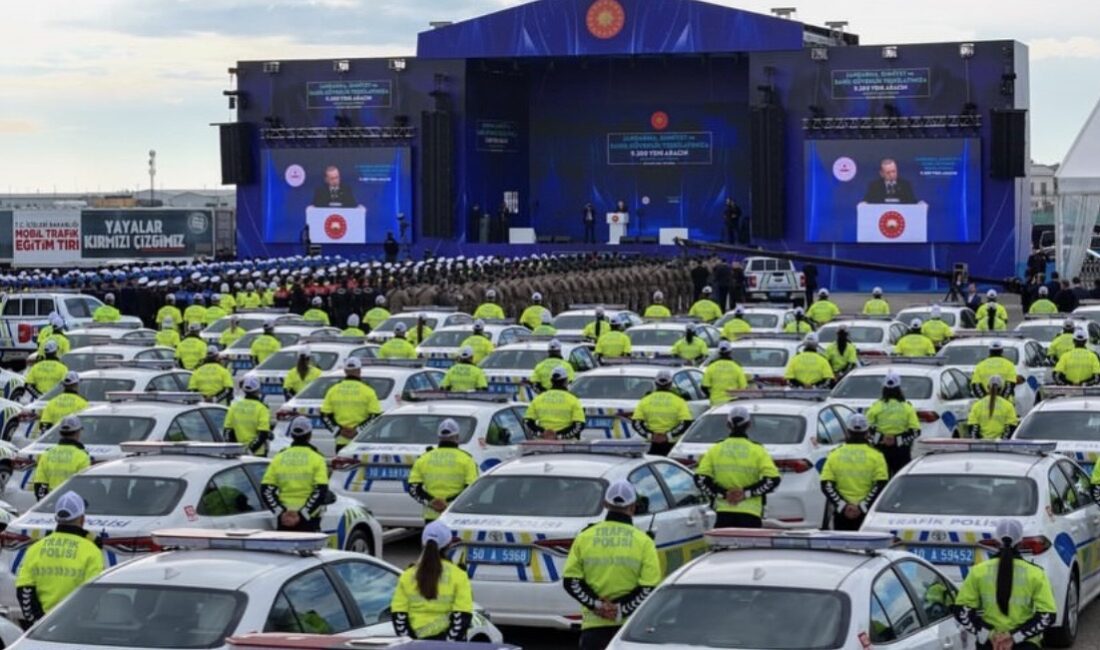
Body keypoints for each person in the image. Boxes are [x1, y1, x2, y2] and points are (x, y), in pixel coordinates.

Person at [562, 480, 661, 650]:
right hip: (629, 628)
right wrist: (620, 610)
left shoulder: (584, 537)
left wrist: (598, 606)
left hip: (594, 628)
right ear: (633, 506)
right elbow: (648, 587)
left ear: (606, 504)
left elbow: (570, 581)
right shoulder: (644, 542)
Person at [952, 519, 1057, 650]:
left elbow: (961, 611)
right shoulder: (1036, 574)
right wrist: (1014, 637)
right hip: (1025, 645)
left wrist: (990, 635)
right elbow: (1048, 616)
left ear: (996, 541)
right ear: (1020, 542)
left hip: (989, 645)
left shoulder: (978, 571)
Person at [15, 491, 103, 625]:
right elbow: (93, 595)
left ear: (56, 518)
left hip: (41, 627)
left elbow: (24, 590)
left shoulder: (35, 549)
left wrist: (38, 622)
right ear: (82, 519)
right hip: (74, 625)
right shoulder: (92, 551)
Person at [693, 406, 781, 528]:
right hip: (750, 514)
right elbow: (773, 479)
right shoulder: (758, 450)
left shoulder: (715, 449)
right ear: (749, 425)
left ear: (728, 425)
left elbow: (700, 479)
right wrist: (746, 493)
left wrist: (723, 494)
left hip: (723, 513)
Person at [391, 520, 474, 641]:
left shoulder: (407, 575)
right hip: (447, 644)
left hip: (415, 644)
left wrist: (411, 642)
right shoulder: (459, 575)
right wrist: (447, 643)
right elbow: (463, 615)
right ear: (449, 545)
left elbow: (399, 615)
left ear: (423, 543)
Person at [820, 414, 889, 531]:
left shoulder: (834, 454)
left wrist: (843, 506)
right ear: (867, 433)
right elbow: (881, 485)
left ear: (847, 432)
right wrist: (862, 507)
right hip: (867, 514)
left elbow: (826, 485)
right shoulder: (877, 456)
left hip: (842, 514)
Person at [261, 416, 329, 531]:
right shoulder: (317, 458)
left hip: (285, 520)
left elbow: (266, 490)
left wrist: (281, 512)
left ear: (292, 435)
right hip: (308, 520)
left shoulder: (279, 457)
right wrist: (303, 514)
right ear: (310, 435)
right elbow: (321, 490)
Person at [407, 419, 479, 523]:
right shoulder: (466, 459)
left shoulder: (423, 458)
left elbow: (413, 488)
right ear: (457, 437)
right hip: (455, 516)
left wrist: (431, 501)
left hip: (431, 516)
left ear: (439, 437)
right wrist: (450, 504)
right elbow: (472, 490)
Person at [320, 357, 382, 452]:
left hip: (341, 441)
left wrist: (339, 431)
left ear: (345, 371)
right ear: (359, 370)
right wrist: (358, 431)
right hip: (362, 441)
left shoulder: (332, 390)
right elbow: (375, 416)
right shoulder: (368, 391)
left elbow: (324, 415)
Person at [865, 373, 920, 476]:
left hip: (881, 449)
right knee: (901, 478)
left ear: (884, 389)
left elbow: (866, 428)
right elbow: (916, 431)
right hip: (901, 451)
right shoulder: (907, 407)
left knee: (882, 478)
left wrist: (881, 438)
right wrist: (897, 440)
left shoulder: (877, 406)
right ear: (899, 388)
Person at [632, 370, 693, 456]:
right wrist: (668, 436)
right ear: (670, 384)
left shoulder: (645, 400)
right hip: (671, 444)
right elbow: (686, 423)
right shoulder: (679, 401)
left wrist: (650, 435)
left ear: (656, 384)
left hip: (651, 444)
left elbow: (636, 423)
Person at [31, 416, 90, 500]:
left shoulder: (47, 454)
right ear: (78, 433)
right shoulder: (82, 456)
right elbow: (84, 486)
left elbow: (40, 485)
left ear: (60, 433)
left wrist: (45, 503)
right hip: (72, 503)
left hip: (50, 502)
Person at [523, 367, 585, 440]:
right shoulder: (573, 400)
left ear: (551, 381)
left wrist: (541, 433)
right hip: (566, 443)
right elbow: (579, 425)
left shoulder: (538, 399)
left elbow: (527, 422)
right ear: (566, 381)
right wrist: (559, 436)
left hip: (543, 442)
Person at [225, 375, 273, 456]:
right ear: (258, 389)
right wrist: (249, 450)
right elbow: (263, 433)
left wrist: (234, 449)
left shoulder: (234, 407)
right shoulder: (262, 408)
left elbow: (228, 430)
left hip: (237, 453)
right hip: (257, 453)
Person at [967, 376, 1018, 440]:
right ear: (1001, 389)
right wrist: (1001, 441)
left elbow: (972, 428)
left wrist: (980, 441)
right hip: (1001, 444)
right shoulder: (1009, 406)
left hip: (981, 444)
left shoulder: (976, 405)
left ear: (988, 387)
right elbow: (1011, 428)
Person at [701, 341, 748, 406]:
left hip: (716, 403)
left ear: (719, 353)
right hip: (732, 402)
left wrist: (710, 396)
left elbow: (704, 387)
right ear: (730, 352)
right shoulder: (737, 367)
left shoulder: (711, 367)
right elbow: (743, 388)